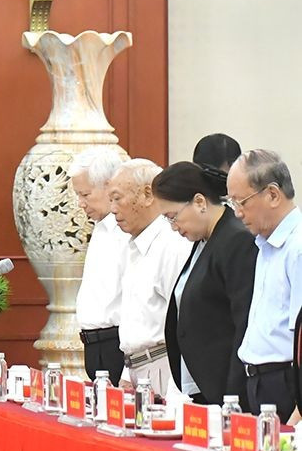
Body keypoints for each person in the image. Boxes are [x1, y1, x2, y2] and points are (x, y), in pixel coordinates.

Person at [154, 160, 255, 405]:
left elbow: (242, 323)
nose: (174, 227)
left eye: (172, 217)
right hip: (201, 384)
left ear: (199, 202)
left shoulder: (235, 240)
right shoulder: (203, 241)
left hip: (225, 388)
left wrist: (233, 396)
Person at [229, 149, 302, 421]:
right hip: (259, 382)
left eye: (241, 202)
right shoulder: (265, 244)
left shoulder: (297, 248)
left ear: (272, 194)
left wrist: (299, 412)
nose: (236, 213)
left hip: (286, 385)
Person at [108, 159, 190, 400]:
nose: (112, 209)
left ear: (146, 194)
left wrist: (176, 391)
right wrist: (126, 372)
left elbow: (183, 323)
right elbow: (137, 317)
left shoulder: (172, 245)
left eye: (117, 198)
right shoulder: (132, 245)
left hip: (164, 369)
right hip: (137, 369)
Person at [69, 147, 129, 383]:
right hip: (94, 344)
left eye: (85, 194)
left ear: (108, 186)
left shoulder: (126, 230)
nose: (80, 204)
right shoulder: (100, 226)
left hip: (117, 344)